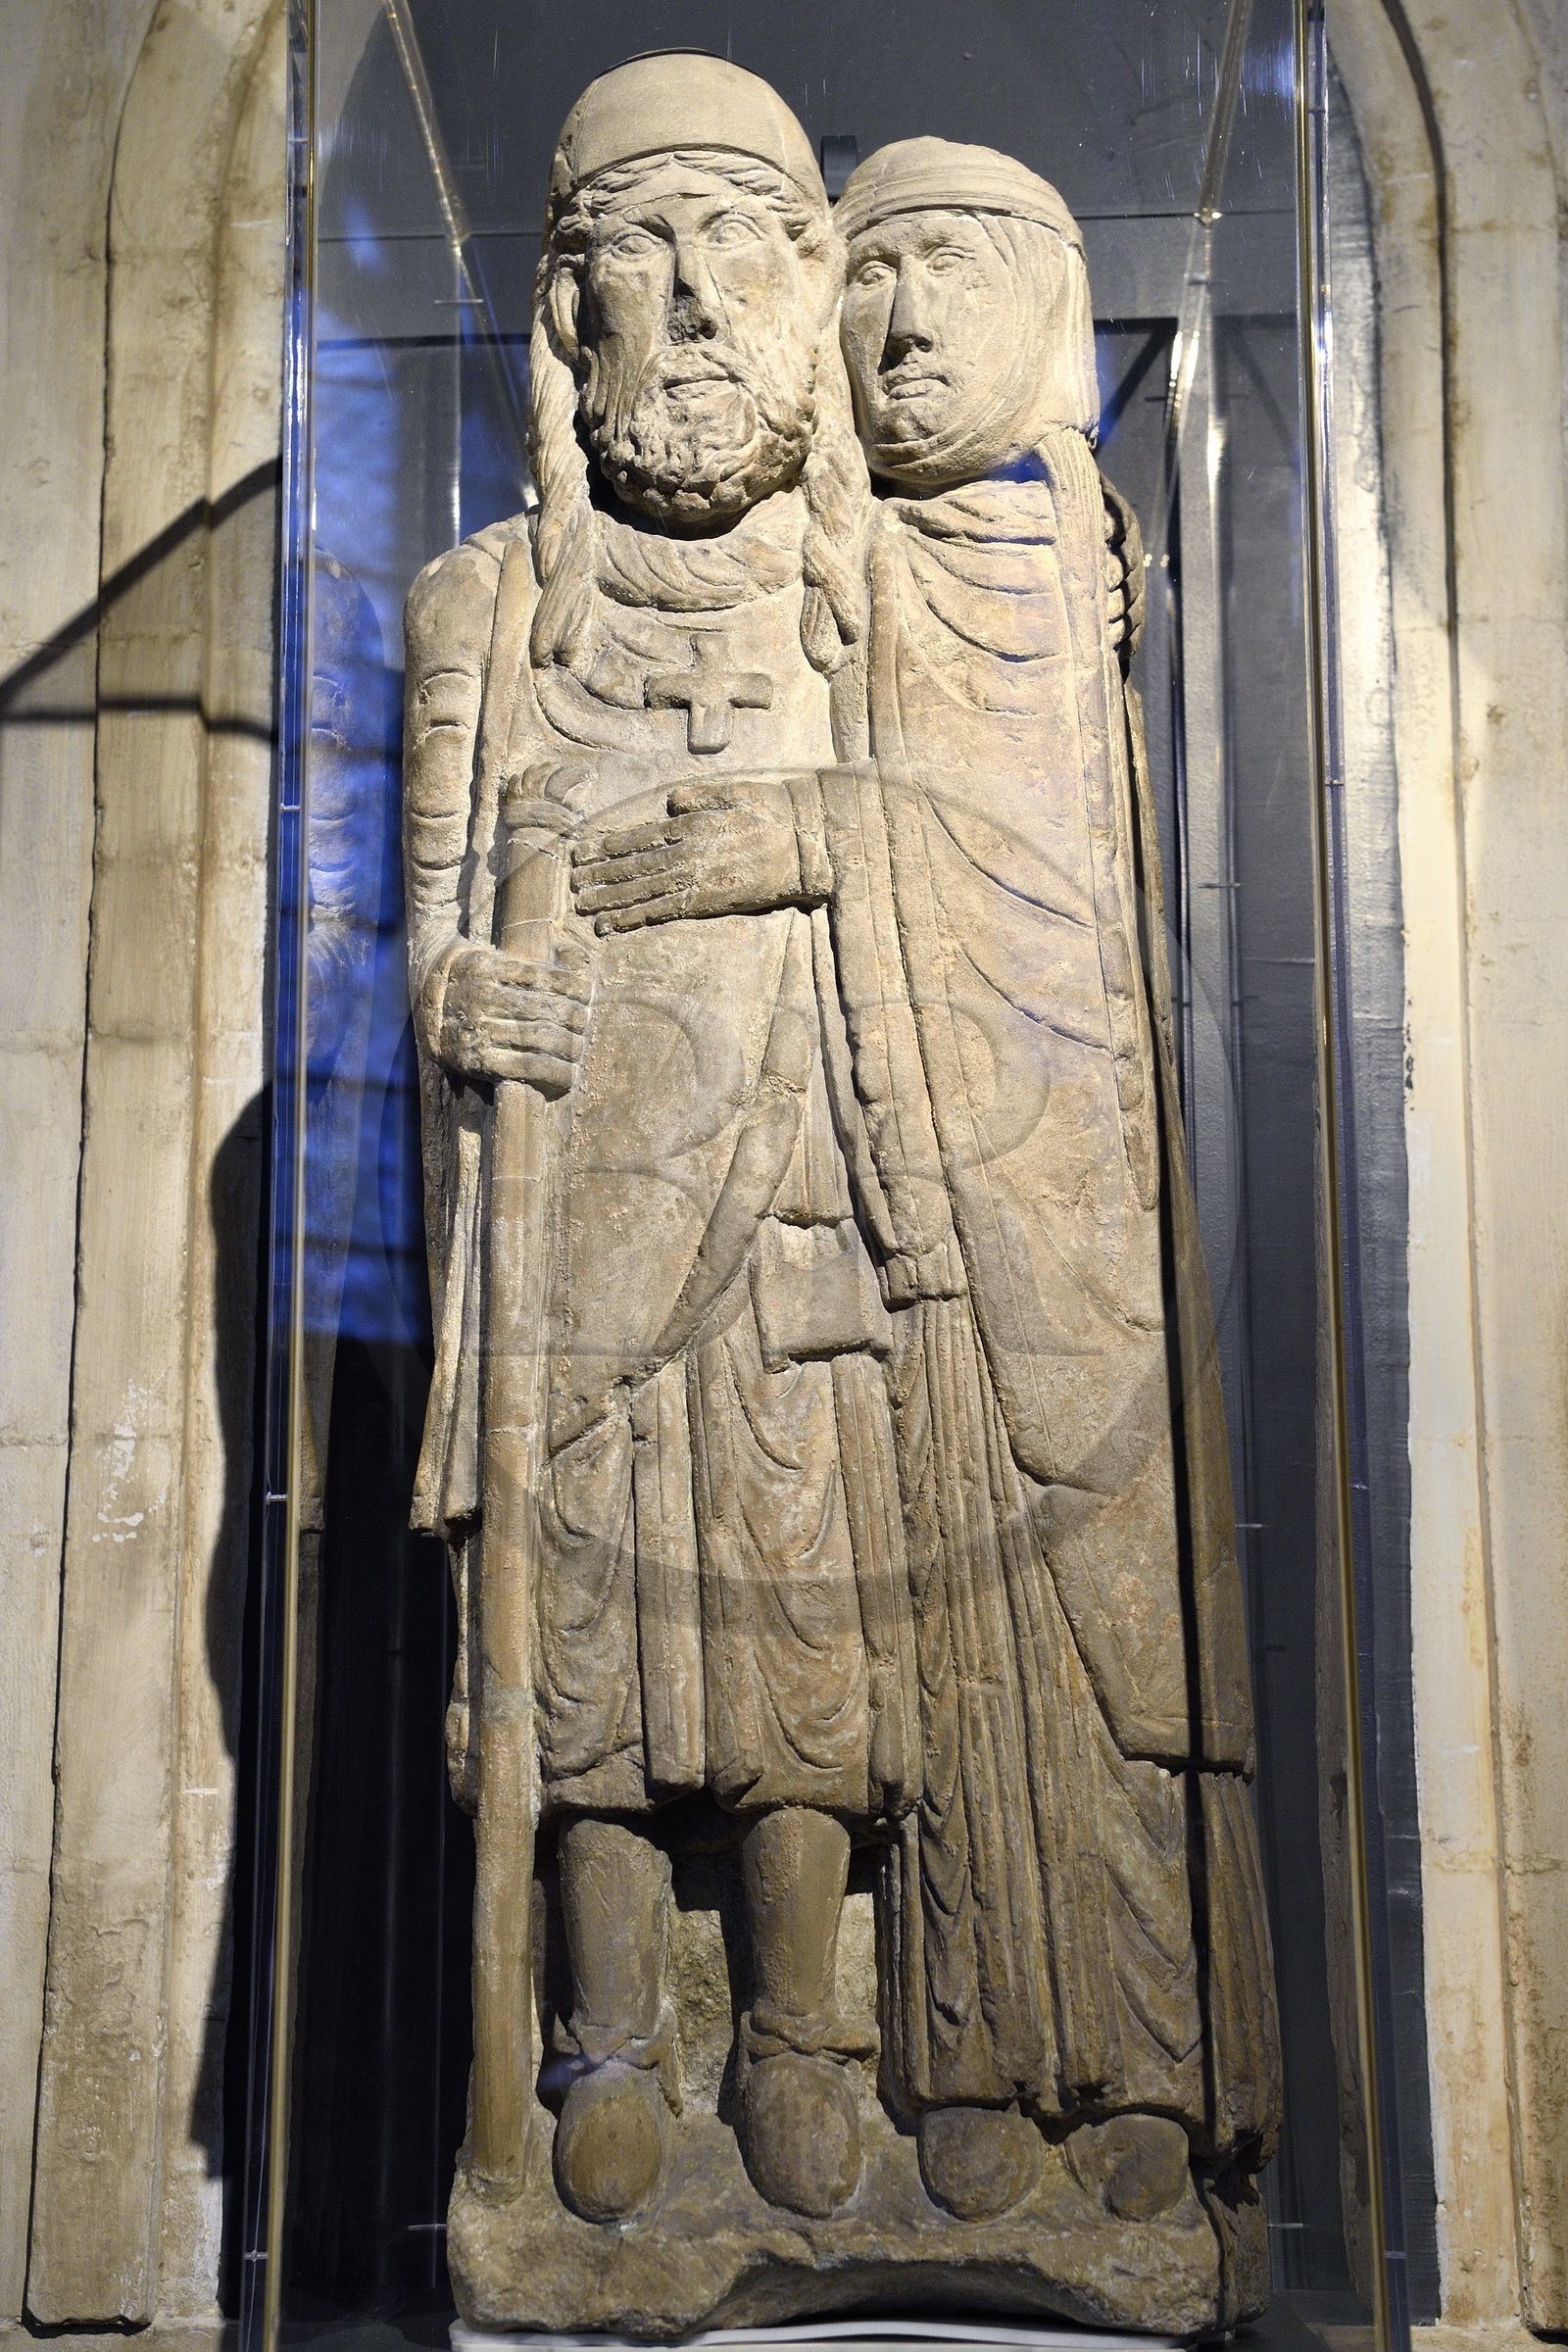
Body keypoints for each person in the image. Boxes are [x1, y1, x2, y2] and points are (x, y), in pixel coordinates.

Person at [576, 136, 1281, 2305]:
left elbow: (1025, 875)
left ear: (1056, 302)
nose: (895, 327)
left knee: (1106, 1633)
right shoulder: (835, 557)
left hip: (1054, 1160)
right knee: (948, 1651)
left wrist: (792, 835)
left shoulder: (1064, 538)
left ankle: (1148, 2077)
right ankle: (969, 2057)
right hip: (905, 1201)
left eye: (948, 270)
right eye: (863, 280)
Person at [402, 56, 916, 2230]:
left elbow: (971, 871)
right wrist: (455, 997)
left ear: (803, 288)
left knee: (803, 1611)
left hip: (800, 1183)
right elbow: (420, 933)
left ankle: (802, 2030)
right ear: (564, 312)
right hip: (574, 1212)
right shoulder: (486, 610)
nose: (689, 300)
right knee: (587, 1630)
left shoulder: (870, 603)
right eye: (637, 248)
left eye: (735, 245)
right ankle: (606, 2035)